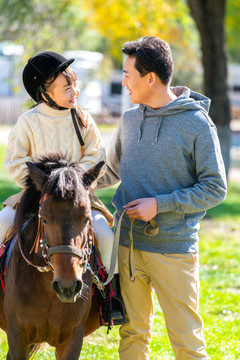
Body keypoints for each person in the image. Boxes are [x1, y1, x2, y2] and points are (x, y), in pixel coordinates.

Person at [97, 36, 227, 359]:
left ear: (150, 78)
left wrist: (159, 205)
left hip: (174, 249)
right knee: (133, 334)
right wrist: (67, 181)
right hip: (127, 246)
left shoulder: (196, 124)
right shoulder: (129, 120)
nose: (124, 81)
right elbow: (110, 171)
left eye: (128, 74)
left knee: (186, 341)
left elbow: (215, 187)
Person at [0, 51, 125, 325]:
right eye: (66, 87)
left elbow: (97, 155)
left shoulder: (82, 118)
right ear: (45, 92)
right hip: (35, 197)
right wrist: (45, 181)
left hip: (78, 197)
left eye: (75, 84)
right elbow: (14, 163)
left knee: (105, 234)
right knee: (2, 223)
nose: (74, 91)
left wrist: (71, 178)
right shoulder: (28, 122)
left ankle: (110, 298)